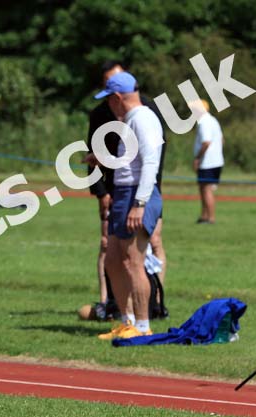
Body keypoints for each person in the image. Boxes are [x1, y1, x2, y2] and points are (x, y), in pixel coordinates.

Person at [84, 61, 168, 321]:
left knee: (133, 261)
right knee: (112, 260)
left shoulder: (142, 119)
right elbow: (130, 161)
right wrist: (103, 160)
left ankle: (142, 324)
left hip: (135, 194)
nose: (107, 104)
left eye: (109, 98)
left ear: (118, 97)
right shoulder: (129, 120)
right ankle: (126, 320)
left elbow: (151, 162)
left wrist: (140, 204)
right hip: (122, 193)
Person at [191, 99, 224, 224]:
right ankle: (204, 216)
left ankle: (210, 218)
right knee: (203, 188)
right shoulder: (213, 120)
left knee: (206, 189)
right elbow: (222, 140)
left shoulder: (203, 122)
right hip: (216, 161)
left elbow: (206, 142)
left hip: (207, 162)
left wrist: (198, 158)